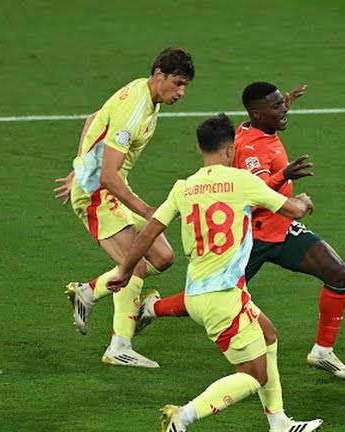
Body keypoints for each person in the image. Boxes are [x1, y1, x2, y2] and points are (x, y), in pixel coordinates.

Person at [107, 114, 322, 432]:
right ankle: (182, 416)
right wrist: (302, 201)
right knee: (253, 375)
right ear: (231, 149)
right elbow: (294, 210)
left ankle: (279, 422)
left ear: (199, 148)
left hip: (199, 294)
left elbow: (149, 231)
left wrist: (126, 271)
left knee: (268, 335)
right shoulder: (241, 181)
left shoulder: (183, 188)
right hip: (222, 299)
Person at [141, 82, 345, 380]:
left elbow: (266, 119)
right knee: (210, 293)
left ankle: (322, 351)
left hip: (281, 229)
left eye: (282, 103)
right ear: (257, 114)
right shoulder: (251, 150)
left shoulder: (254, 127)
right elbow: (254, 195)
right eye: (277, 106)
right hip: (252, 237)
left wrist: (285, 104)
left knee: (338, 273)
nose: (283, 110)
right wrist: (284, 175)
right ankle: (152, 308)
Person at [54, 47, 194, 367]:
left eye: (185, 85)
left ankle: (89, 292)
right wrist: (146, 211)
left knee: (163, 257)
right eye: (177, 83)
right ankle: (119, 346)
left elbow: (94, 119)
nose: (181, 92)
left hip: (113, 189)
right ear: (159, 75)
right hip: (97, 194)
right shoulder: (135, 109)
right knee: (136, 266)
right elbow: (107, 176)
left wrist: (79, 165)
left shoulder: (144, 92)